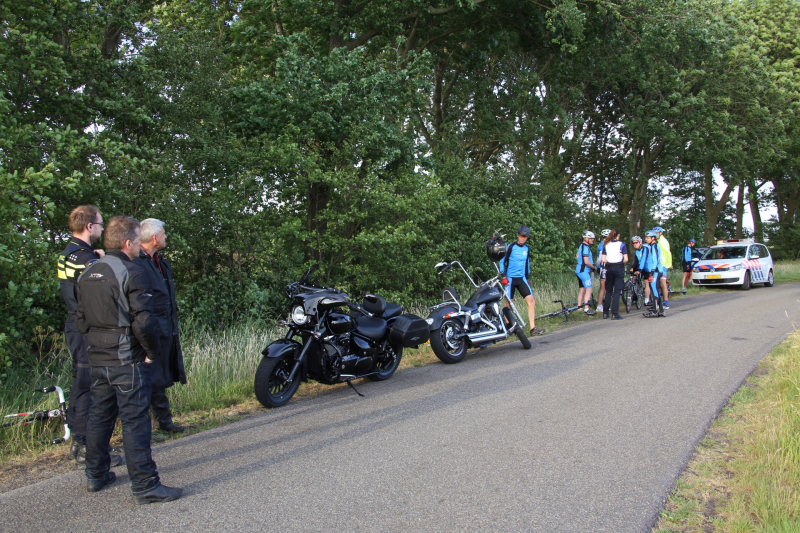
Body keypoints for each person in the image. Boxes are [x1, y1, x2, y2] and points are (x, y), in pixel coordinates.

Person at [76, 216, 182, 504]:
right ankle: (146, 485)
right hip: (127, 358)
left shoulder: (89, 272)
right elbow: (144, 321)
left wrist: (96, 343)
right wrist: (150, 352)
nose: (138, 245)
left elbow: (80, 318)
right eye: (136, 241)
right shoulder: (132, 272)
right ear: (127, 243)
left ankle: (96, 475)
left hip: (98, 358)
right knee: (135, 421)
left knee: (100, 417)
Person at [57, 206, 123, 467]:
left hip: (75, 324)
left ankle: (81, 442)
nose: (101, 228)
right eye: (99, 224)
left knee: (81, 382)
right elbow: (108, 285)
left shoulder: (69, 253)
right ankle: (86, 446)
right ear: (89, 227)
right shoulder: (87, 259)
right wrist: (104, 259)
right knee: (89, 385)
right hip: (87, 328)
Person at [133, 219, 187, 433]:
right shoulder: (137, 262)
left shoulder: (160, 262)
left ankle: (164, 421)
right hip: (149, 327)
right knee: (149, 374)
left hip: (166, 326)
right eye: (164, 233)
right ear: (154, 237)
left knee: (159, 374)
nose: (166, 237)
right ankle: (146, 425)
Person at [500, 226, 543, 336]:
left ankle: (533, 328)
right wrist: (503, 276)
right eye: (521, 236)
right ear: (518, 235)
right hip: (510, 279)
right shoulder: (511, 246)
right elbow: (502, 261)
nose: (523, 238)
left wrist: (528, 278)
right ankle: (508, 327)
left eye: (525, 237)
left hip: (521, 278)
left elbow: (527, 263)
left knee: (531, 301)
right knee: (509, 303)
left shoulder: (526, 248)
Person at [601, 229, 628, 319]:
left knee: (608, 291)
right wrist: (621, 261)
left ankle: (605, 313)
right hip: (618, 267)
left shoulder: (606, 245)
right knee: (617, 291)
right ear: (618, 235)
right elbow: (626, 259)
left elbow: (604, 259)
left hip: (609, 268)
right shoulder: (622, 245)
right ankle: (615, 313)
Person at [638, 230, 665, 318]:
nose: (646, 239)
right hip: (656, 270)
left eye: (647, 238)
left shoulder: (655, 246)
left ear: (653, 238)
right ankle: (660, 310)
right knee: (655, 290)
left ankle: (655, 311)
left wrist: (652, 271)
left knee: (654, 290)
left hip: (656, 271)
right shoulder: (652, 246)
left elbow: (655, 259)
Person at [575, 230, 597, 315]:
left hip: (579, 271)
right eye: (591, 238)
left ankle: (579, 307)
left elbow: (577, 255)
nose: (592, 240)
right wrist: (593, 268)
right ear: (586, 238)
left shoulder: (582, 246)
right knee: (589, 289)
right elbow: (587, 261)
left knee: (582, 289)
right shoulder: (585, 248)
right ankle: (586, 308)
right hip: (583, 271)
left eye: (593, 239)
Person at [653, 226, 672, 309]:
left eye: (657, 233)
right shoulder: (658, 240)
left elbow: (668, 253)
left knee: (662, 283)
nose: (655, 235)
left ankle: (666, 302)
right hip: (658, 264)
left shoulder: (662, 241)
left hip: (663, 264)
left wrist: (669, 263)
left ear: (661, 233)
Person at [596, 229, 611, 314]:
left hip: (605, 267)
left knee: (605, 287)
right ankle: (600, 305)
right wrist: (597, 267)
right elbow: (600, 258)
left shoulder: (603, 244)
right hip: (604, 267)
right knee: (603, 287)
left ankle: (603, 304)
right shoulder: (603, 245)